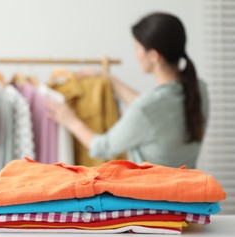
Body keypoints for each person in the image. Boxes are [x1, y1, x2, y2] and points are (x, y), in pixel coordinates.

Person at [47, 12, 209, 169]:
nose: (136, 54)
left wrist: (70, 121)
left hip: (153, 195)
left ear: (153, 56)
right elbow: (152, 111)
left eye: (137, 48)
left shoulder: (148, 108)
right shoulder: (198, 89)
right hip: (187, 193)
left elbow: (103, 147)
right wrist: (109, 77)